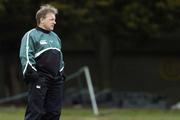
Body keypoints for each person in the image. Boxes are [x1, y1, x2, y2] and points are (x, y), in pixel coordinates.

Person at [19, 4, 65, 120]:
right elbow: (26, 55)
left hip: (55, 81)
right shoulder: (31, 35)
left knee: (54, 113)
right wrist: (33, 74)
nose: (54, 22)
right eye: (51, 19)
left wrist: (61, 73)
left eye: (55, 20)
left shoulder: (56, 37)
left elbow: (60, 58)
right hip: (39, 79)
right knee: (36, 113)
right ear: (42, 19)